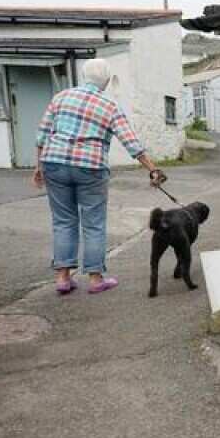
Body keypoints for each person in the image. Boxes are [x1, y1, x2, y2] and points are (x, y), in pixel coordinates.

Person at [33, 59, 165, 295]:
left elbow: (43, 133)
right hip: (90, 166)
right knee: (93, 223)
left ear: (84, 77)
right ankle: (95, 279)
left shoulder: (61, 97)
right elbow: (130, 142)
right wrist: (152, 169)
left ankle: (63, 278)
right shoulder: (109, 105)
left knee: (63, 221)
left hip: (54, 161)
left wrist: (38, 166)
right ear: (105, 81)